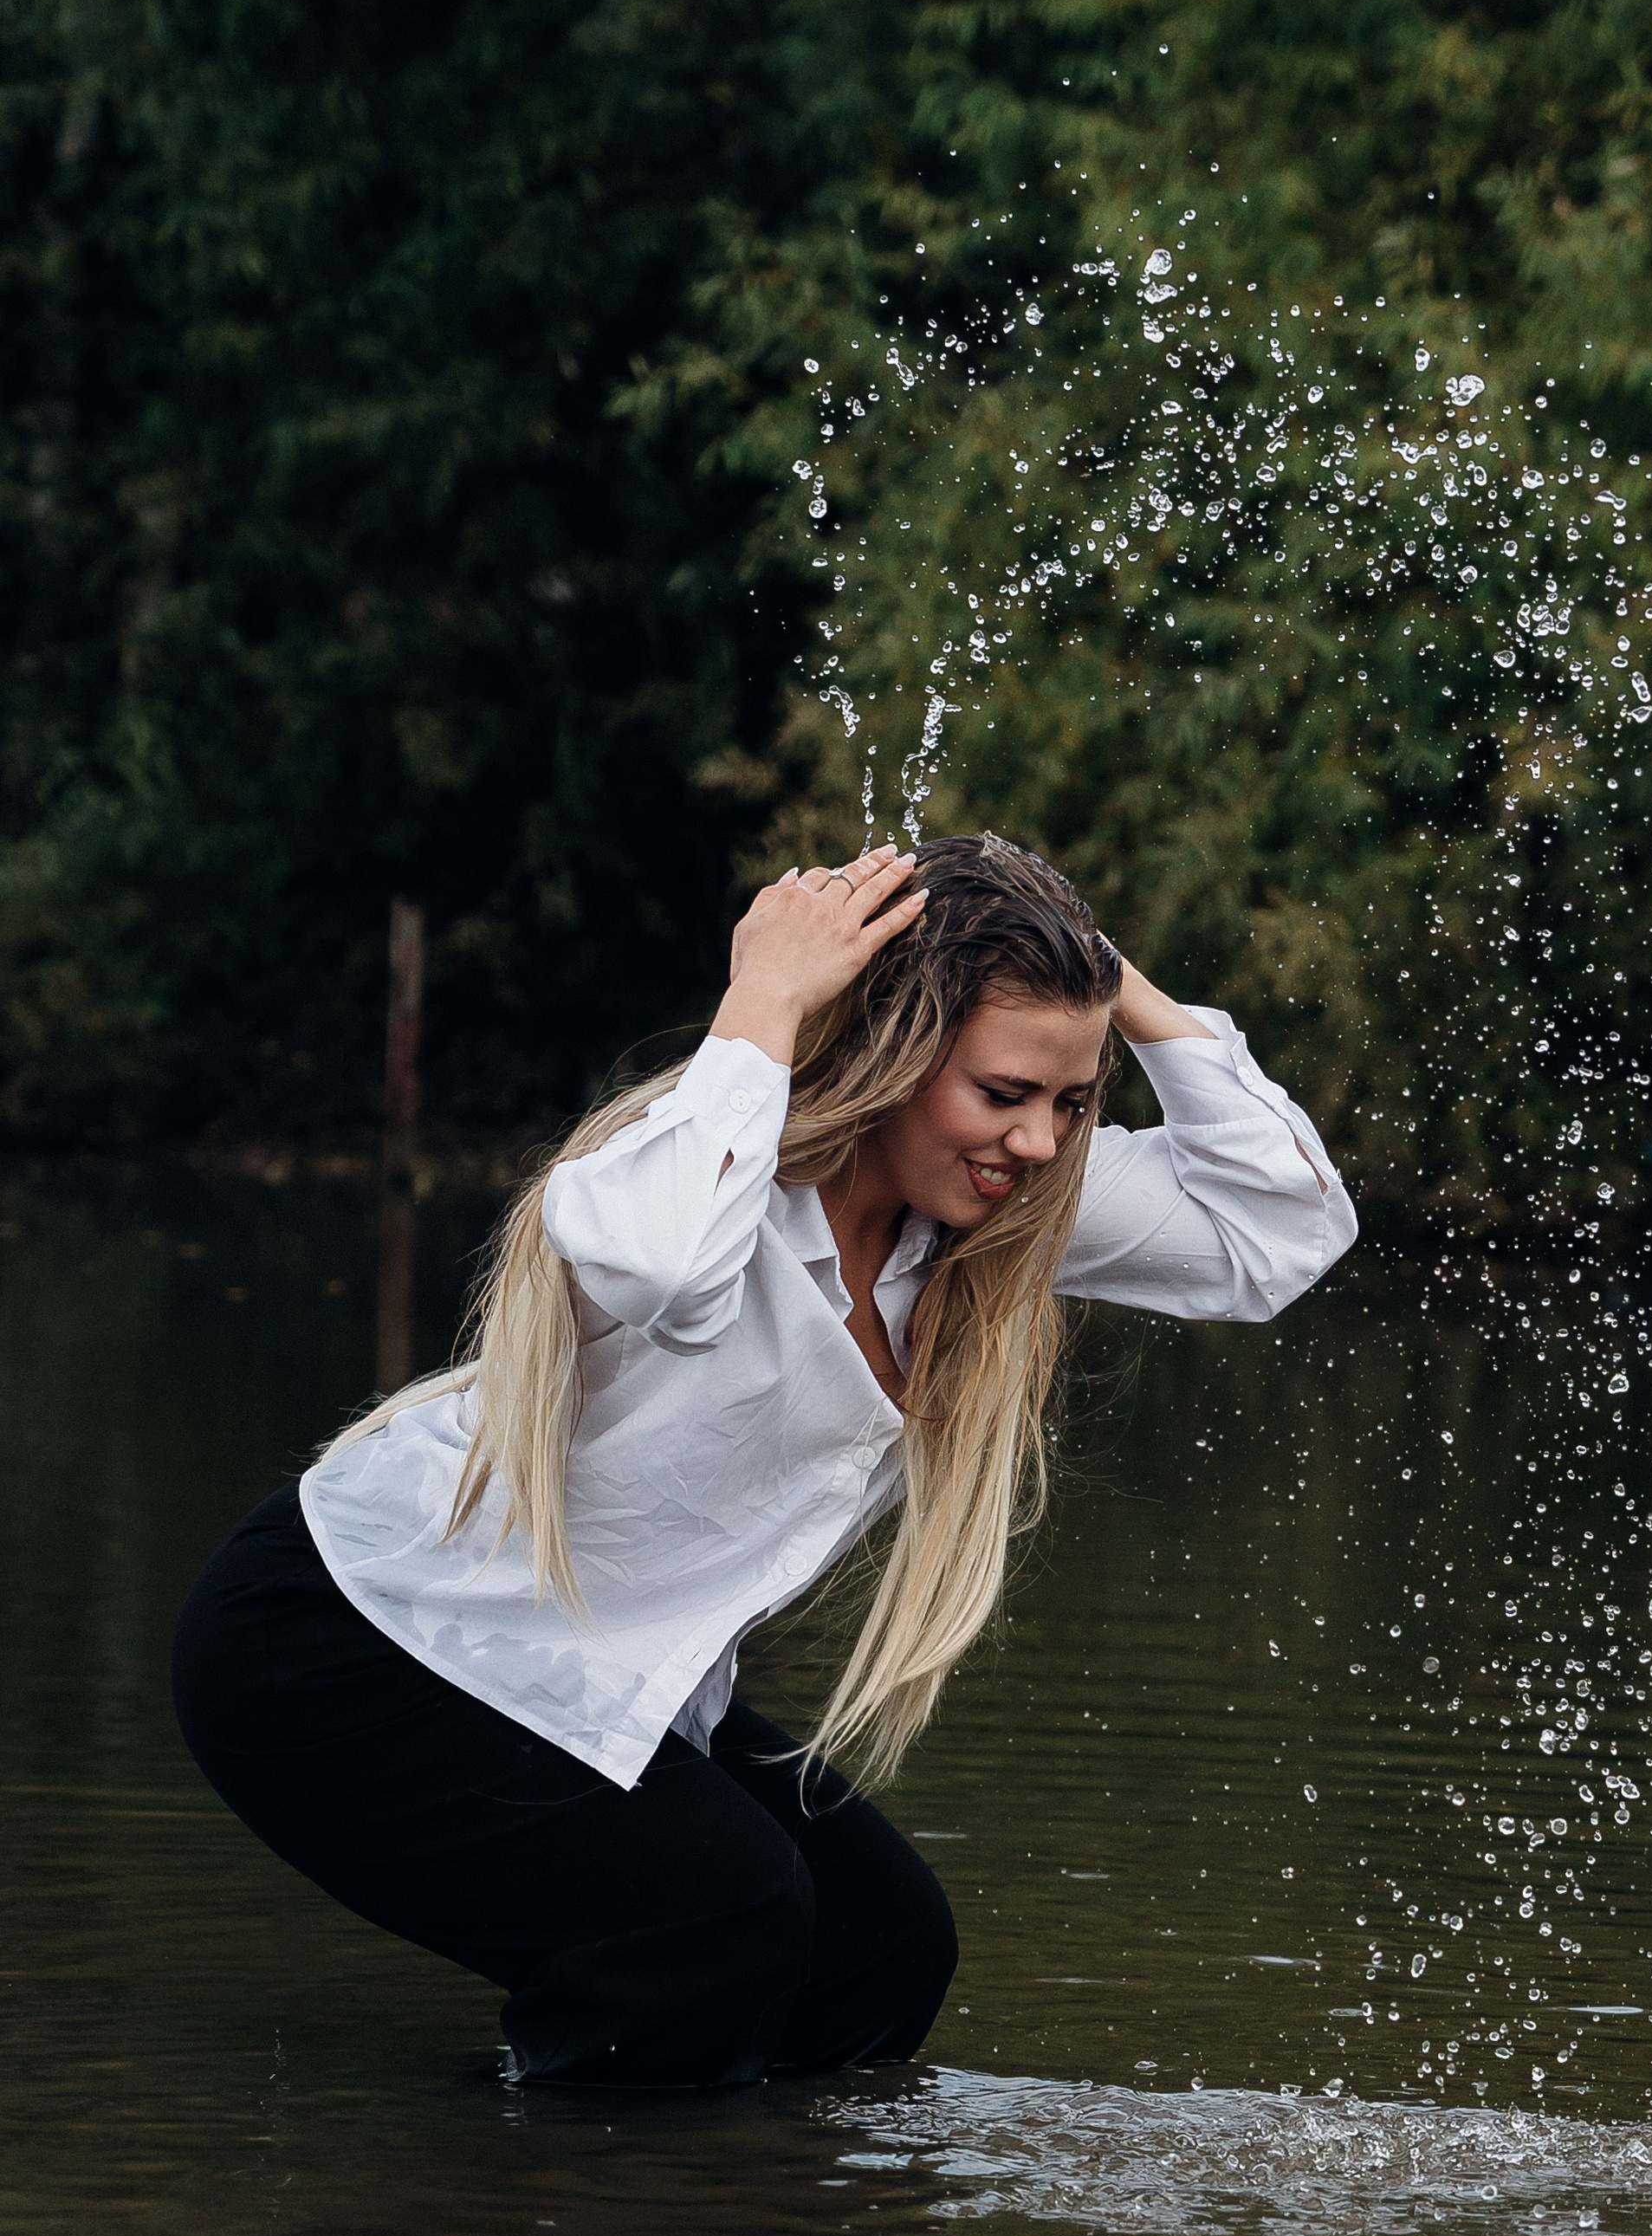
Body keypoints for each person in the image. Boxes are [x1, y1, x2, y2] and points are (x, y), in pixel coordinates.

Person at [172, 833, 1357, 2087]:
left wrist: (1117, 983)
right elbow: (661, 1269)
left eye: (1071, 1104)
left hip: (586, 1673)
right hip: (347, 1646)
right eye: (1004, 1093)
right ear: (895, 1054)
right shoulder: (707, 1176)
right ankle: (542, 2191)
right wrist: (768, 997)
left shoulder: (1002, 1217)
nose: (1039, 1144)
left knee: (879, 1949)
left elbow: (1277, 1230)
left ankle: (717, 2186)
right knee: (714, 1921)